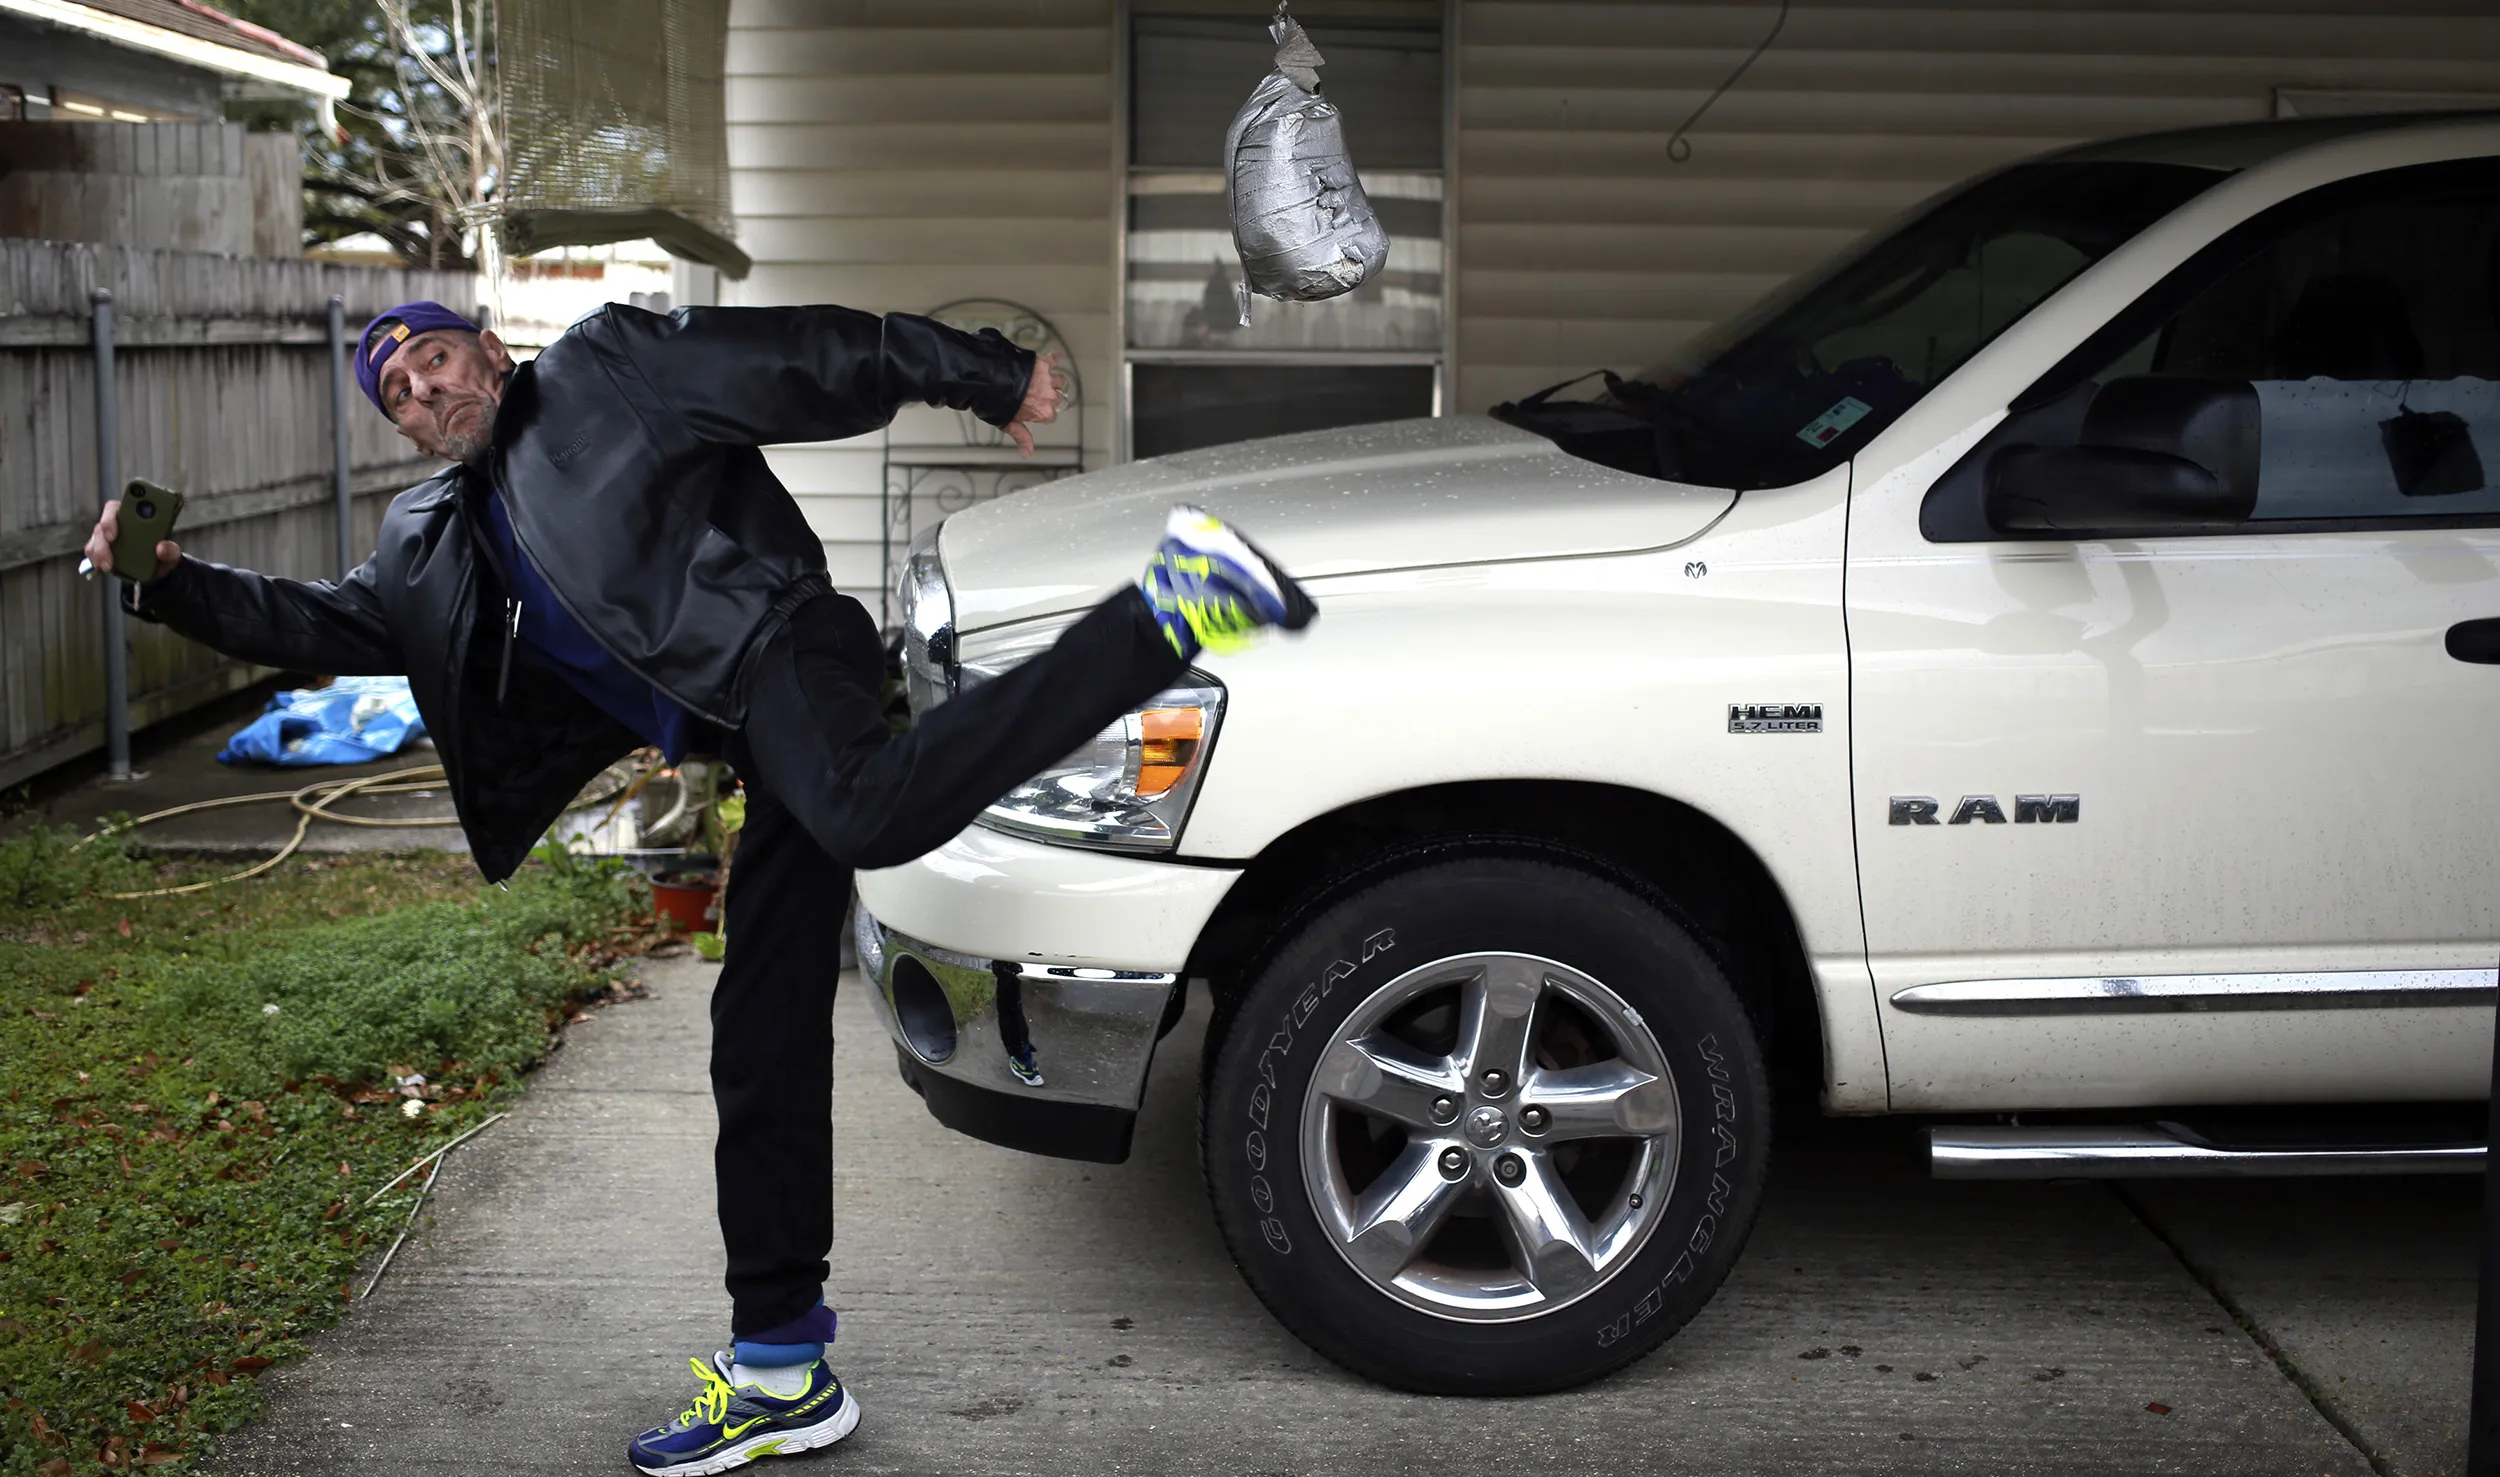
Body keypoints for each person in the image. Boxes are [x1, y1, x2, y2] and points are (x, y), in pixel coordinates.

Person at [82, 299, 1315, 1474]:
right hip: (743, 733)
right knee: (759, 1029)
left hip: (784, 648)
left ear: (489, 350)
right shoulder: (428, 540)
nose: (422, 392)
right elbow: (322, 622)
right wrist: (175, 579)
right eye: (398, 394)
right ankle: (784, 1371)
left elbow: (800, 357)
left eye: (435, 361)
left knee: (868, 802)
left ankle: (1176, 601)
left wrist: (978, 372)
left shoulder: (604, 373)